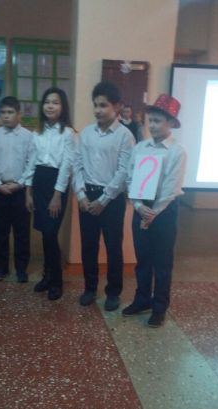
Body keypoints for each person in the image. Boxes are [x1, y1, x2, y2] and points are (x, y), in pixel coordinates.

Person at [123, 94, 187, 327]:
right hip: (141, 207)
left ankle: (159, 306)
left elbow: (171, 187)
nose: (153, 125)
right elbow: (131, 178)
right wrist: (139, 207)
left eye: (158, 121)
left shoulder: (177, 151)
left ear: (170, 123)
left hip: (164, 211)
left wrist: (153, 214)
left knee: (162, 261)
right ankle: (142, 299)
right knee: (143, 259)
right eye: (151, 120)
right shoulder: (140, 148)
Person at [73, 81, 134, 311]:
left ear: (117, 106)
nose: (98, 110)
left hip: (112, 199)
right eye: (96, 105)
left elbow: (123, 171)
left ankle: (113, 292)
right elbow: (77, 164)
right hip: (87, 195)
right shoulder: (86, 133)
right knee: (88, 245)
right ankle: (90, 288)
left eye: (104, 105)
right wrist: (80, 194)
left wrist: (104, 199)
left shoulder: (125, 136)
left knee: (113, 246)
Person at [23, 87, 75, 301]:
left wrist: (57, 195)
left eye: (55, 102)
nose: (50, 106)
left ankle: (57, 281)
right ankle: (47, 276)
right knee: (45, 233)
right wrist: (28, 191)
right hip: (39, 182)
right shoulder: (37, 132)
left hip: (56, 185)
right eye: (47, 102)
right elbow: (31, 162)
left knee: (51, 233)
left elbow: (67, 166)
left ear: (63, 107)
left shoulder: (68, 133)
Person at [0, 96, 32, 283]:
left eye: (10, 112)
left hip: (20, 191)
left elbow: (31, 164)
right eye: (3, 112)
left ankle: (21, 269)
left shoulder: (28, 136)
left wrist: (20, 183)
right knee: (0, 232)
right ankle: (1, 268)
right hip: (0, 190)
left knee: (22, 232)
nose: (6, 116)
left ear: (19, 114)